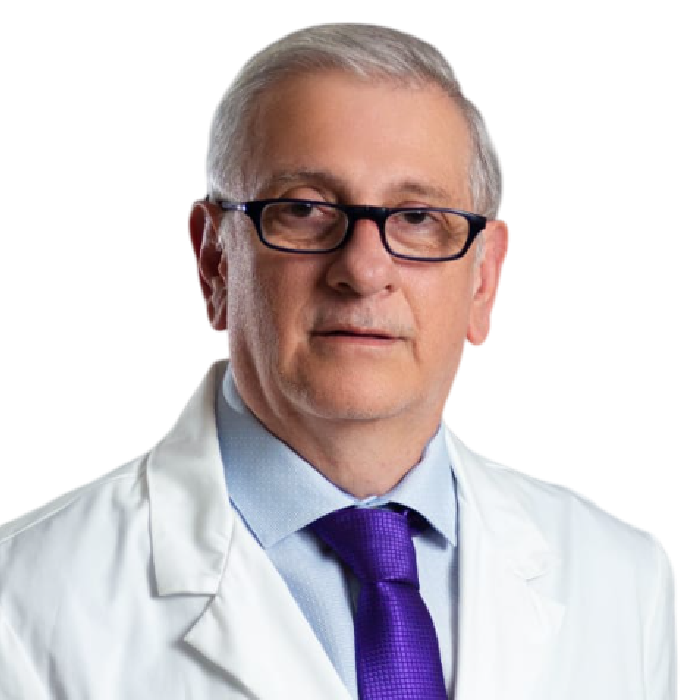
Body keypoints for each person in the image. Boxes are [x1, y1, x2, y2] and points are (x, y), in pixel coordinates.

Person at [0, 21, 678, 700]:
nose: (363, 270)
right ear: (213, 262)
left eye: (418, 218)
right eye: (304, 210)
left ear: (485, 280)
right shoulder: (23, 605)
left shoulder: (624, 583)